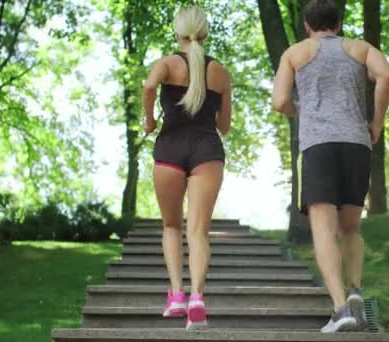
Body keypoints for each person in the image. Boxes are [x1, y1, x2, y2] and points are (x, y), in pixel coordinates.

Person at [272, 0, 389, 333]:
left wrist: (304, 110)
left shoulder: (295, 53)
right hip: (357, 143)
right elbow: (385, 76)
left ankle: (341, 310)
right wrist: (377, 123)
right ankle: (355, 289)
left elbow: (280, 101)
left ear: (308, 26)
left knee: (323, 229)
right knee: (351, 228)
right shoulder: (360, 48)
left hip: (319, 146)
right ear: (338, 24)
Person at [142, 5, 232, 331]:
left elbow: (149, 87)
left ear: (176, 32)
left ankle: (177, 295)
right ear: (205, 33)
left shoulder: (166, 64)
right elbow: (225, 126)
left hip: (169, 149)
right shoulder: (220, 72)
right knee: (198, 231)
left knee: (171, 227)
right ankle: (197, 298)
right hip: (207, 151)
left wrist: (150, 120)